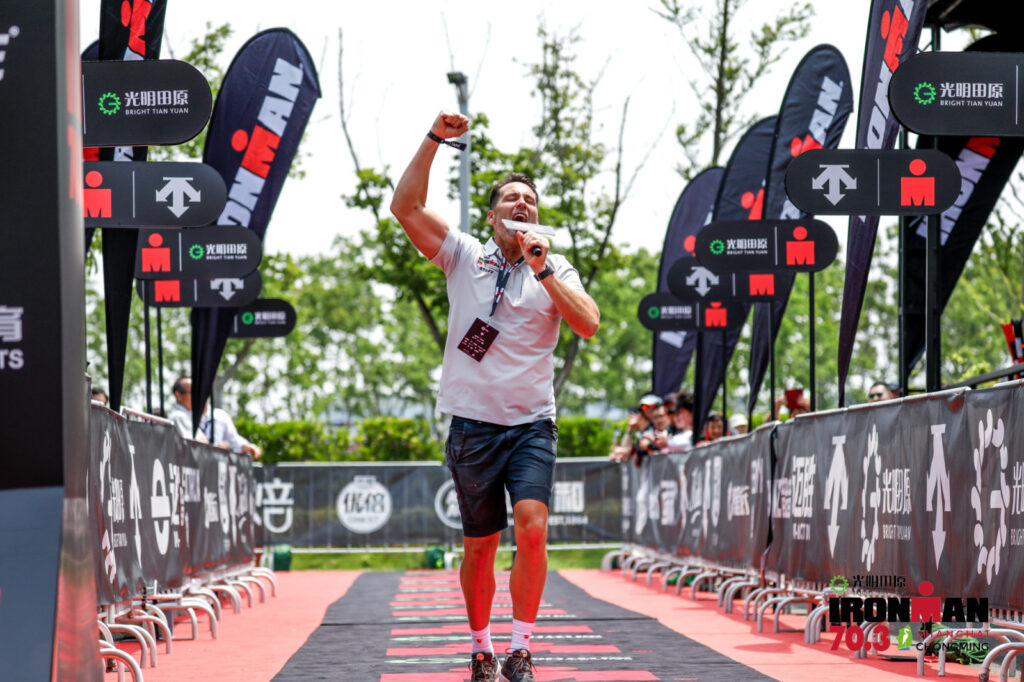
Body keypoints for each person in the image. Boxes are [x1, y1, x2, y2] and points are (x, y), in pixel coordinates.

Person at [390, 110, 599, 682]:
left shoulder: (556, 268)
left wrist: (544, 270)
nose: (522, 205)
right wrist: (434, 139)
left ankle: (520, 649)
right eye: (511, 198)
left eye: (530, 200)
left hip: (532, 424)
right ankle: (482, 650)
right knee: (480, 548)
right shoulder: (462, 254)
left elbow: (588, 325)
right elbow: (405, 207)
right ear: (491, 215)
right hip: (472, 425)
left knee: (532, 529)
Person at [168, 376, 262, 459]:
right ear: (178, 395)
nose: (199, 395)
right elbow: (199, 445)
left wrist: (246, 446)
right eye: (193, 392)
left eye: (200, 391)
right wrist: (219, 448)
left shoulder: (220, 415)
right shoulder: (178, 416)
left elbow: (234, 440)